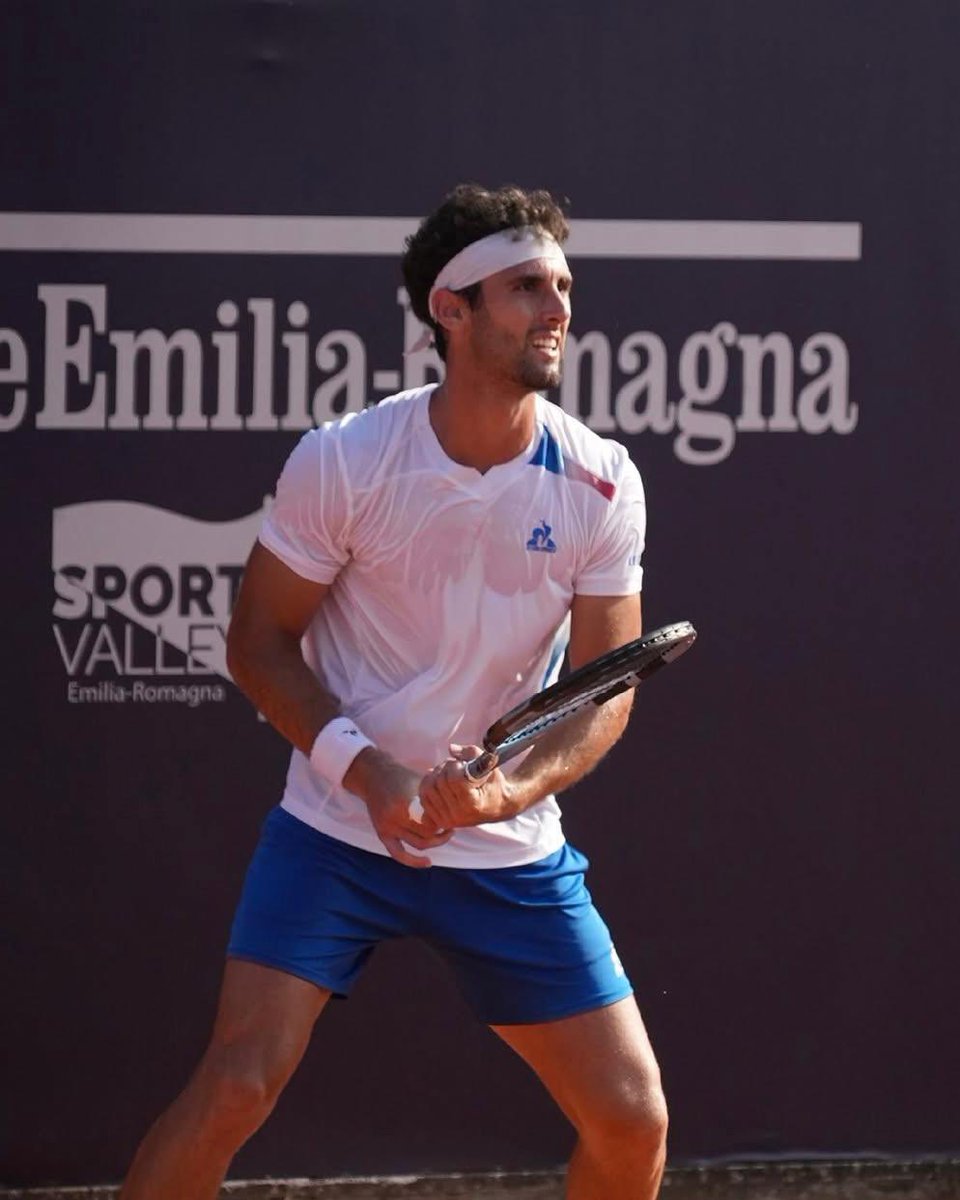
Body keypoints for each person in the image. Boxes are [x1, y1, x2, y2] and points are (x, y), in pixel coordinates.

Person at [120, 183, 667, 1200]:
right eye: (524, 288)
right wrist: (364, 771)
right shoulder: (348, 460)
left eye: (562, 287)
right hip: (336, 830)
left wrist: (500, 794)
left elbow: (605, 691)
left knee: (631, 1123)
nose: (557, 310)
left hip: (506, 851)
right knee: (237, 1085)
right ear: (449, 311)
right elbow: (258, 641)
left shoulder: (602, 482)